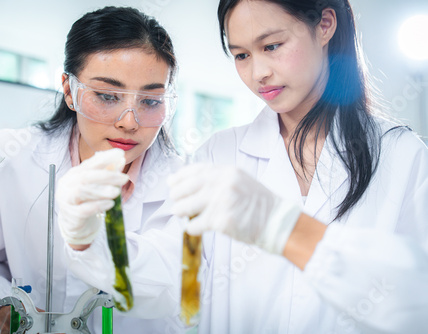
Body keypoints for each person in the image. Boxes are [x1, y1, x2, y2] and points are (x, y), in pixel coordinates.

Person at [168, 0, 428, 333]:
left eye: (272, 45)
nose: (258, 73)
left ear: (325, 25)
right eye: (241, 55)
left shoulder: (403, 156)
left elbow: (418, 302)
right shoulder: (217, 155)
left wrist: (289, 229)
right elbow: (174, 292)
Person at [0, 6, 184, 334]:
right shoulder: (13, 156)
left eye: (151, 101)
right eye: (106, 95)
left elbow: (171, 288)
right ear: (70, 90)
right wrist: (2, 309)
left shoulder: (182, 182)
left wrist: (88, 238)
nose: (129, 122)